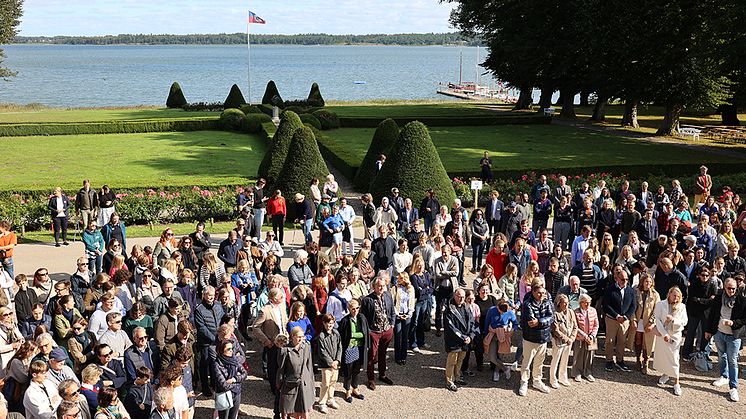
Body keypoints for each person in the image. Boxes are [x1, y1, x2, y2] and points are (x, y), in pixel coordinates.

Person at [705, 277, 745, 402]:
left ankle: (733, 387)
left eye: (733, 288)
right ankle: (724, 376)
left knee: (732, 360)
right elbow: (712, 314)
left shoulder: (741, 300)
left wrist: (733, 323)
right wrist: (709, 330)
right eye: (729, 288)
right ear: (724, 288)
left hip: (733, 335)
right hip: (719, 333)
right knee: (721, 356)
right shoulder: (719, 297)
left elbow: (744, 319)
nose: (731, 291)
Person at [253, 288, 288, 418]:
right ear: (273, 298)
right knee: (273, 366)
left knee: (282, 364)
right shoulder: (265, 310)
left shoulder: (281, 307)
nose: (282, 299)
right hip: (272, 344)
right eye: (280, 297)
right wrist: (266, 341)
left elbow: (284, 323)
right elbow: (255, 327)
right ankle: (274, 387)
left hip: (283, 342)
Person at [361, 273, 395, 390]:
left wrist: (392, 325)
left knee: (383, 354)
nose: (381, 288)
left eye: (383, 286)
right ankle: (371, 379)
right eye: (379, 286)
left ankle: (382, 374)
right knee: (372, 355)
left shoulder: (388, 295)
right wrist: (368, 331)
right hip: (374, 331)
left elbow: (392, 311)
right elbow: (363, 317)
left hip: (386, 330)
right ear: (374, 286)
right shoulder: (367, 300)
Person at [518, 283, 553, 396]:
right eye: (539, 292)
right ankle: (524, 382)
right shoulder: (527, 304)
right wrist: (543, 322)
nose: (541, 295)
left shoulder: (547, 303)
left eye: (543, 293)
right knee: (526, 363)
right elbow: (530, 322)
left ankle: (537, 381)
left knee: (539, 363)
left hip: (543, 339)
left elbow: (551, 317)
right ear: (533, 292)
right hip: (530, 338)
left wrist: (539, 322)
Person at [654, 286, 688, 396]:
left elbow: (684, 321)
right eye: (674, 295)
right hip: (662, 334)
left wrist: (673, 320)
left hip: (675, 336)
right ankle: (666, 374)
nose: (676, 298)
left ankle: (677, 382)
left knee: (674, 358)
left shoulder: (682, 307)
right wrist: (664, 334)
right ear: (669, 294)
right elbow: (657, 319)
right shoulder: (660, 304)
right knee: (664, 356)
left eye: (678, 296)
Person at [603, 265, 636, 372]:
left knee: (622, 341)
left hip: (624, 320)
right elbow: (606, 305)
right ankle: (609, 360)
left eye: (627, 279)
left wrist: (626, 316)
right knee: (610, 340)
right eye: (623, 279)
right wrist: (616, 315)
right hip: (612, 319)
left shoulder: (630, 291)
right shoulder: (610, 289)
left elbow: (633, 306)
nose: (625, 281)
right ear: (617, 278)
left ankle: (620, 360)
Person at [277, 326, 315, 419]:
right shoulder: (285, 350)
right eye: (299, 337)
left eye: (302, 337)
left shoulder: (306, 347)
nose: (301, 339)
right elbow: (281, 369)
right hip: (291, 384)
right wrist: (279, 383)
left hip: (304, 383)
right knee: (288, 410)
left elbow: (309, 366)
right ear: (292, 336)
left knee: (305, 412)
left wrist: (312, 384)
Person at [442, 288, 475, 392]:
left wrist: (471, 336)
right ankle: (449, 381)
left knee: (460, 360)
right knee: (452, 361)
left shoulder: (466, 307)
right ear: (454, 295)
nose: (461, 298)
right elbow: (451, 328)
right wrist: (463, 337)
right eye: (459, 296)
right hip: (454, 341)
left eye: (463, 297)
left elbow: (472, 322)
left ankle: (457, 377)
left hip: (465, 340)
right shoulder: (449, 309)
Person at [682, 266, 717, 361]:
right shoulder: (694, 284)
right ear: (699, 275)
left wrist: (699, 300)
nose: (705, 277)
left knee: (706, 333)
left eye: (707, 275)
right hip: (694, 311)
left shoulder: (712, 284)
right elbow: (692, 298)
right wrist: (706, 300)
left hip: (706, 312)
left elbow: (713, 300)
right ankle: (686, 353)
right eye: (703, 275)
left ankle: (704, 353)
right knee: (691, 332)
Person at [194, 286, 223, 396]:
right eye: (208, 295)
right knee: (204, 364)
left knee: (215, 363)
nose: (210, 297)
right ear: (204, 295)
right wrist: (214, 338)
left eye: (212, 295)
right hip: (206, 342)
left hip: (218, 340)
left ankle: (214, 384)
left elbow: (222, 320)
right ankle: (205, 387)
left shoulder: (218, 306)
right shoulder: (199, 309)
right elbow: (201, 328)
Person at [313, 314, 342, 414]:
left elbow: (340, 347)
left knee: (333, 382)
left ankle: (330, 399)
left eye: (332, 323)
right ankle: (322, 402)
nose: (330, 325)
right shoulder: (321, 336)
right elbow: (322, 352)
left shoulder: (336, 333)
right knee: (325, 384)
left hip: (335, 363)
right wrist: (331, 362)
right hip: (326, 365)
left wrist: (337, 360)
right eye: (328, 323)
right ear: (324, 323)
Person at [549, 294, 577, 388]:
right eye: (563, 303)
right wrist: (566, 339)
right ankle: (553, 379)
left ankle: (563, 377)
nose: (565, 305)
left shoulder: (571, 312)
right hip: (559, 341)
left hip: (569, 341)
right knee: (555, 360)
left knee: (565, 360)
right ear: (558, 303)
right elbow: (555, 330)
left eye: (567, 303)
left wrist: (572, 338)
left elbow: (575, 327)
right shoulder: (555, 314)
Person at [571, 293, 598, 382]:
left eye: (589, 302)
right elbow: (575, 326)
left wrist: (592, 335)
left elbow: (596, 324)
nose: (587, 304)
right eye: (585, 302)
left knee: (589, 356)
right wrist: (585, 336)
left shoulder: (593, 311)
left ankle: (587, 372)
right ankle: (577, 373)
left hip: (590, 338)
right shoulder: (576, 312)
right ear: (580, 303)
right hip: (580, 338)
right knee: (578, 355)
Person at [434, 245, 459, 337]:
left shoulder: (454, 260)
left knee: (451, 308)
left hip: (451, 288)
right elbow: (437, 275)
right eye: (443, 252)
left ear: (450, 252)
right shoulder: (437, 260)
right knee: (439, 308)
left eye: (446, 252)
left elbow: (456, 273)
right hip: (441, 287)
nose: (444, 254)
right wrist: (449, 273)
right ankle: (438, 327)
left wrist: (443, 272)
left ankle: (450, 326)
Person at [390, 272, 415, 366]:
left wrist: (409, 313)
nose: (399, 280)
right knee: (398, 336)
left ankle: (403, 356)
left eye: (402, 278)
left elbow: (412, 302)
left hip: (407, 314)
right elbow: (392, 303)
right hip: (398, 314)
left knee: (405, 336)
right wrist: (397, 314)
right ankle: (397, 356)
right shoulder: (395, 288)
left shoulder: (410, 288)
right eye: (399, 278)